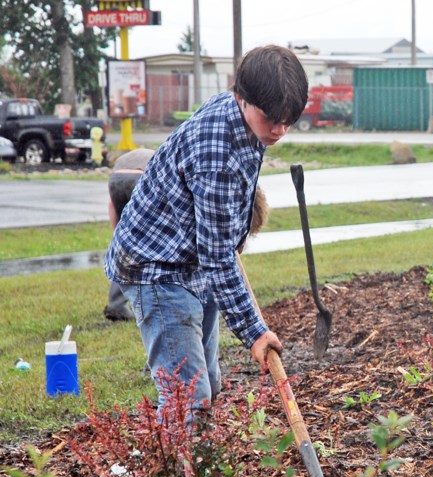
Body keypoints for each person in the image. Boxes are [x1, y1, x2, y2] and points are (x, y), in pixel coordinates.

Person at [105, 44, 307, 414]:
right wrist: (255, 332)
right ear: (242, 98)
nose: (279, 129)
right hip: (158, 268)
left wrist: (234, 233)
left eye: (288, 119)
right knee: (188, 396)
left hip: (190, 257)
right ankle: (179, 470)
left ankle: (198, 465)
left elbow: (218, 237)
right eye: (271, 118)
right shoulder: (216, 153)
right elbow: (216, 257)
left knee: (208, 385)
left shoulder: (245, 118)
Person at [103, 147, 155, 321]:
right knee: (149, 247)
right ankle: (150, 304)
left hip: (116, 178)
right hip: (140, 178)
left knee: (128, 248)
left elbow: (112, 204)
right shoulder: (160, 158)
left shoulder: (133, 157)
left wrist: (118, 235)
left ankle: (116, 304)